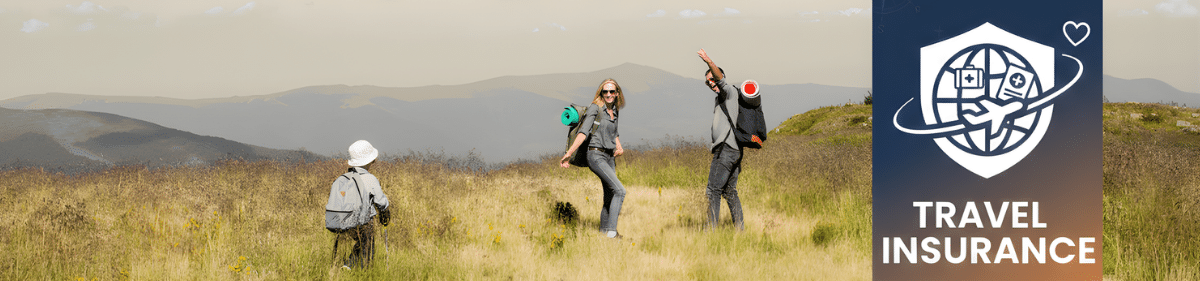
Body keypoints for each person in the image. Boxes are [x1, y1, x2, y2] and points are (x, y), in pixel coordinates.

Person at [560, 79, 627, 238]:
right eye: (605, 91)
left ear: (617, 93)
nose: (609, 94)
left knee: (610, 196)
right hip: (596, 155)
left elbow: (614, 132)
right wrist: (569, 153)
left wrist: (618, 146)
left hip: (610, 156)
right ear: (601, 93)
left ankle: (603, 234)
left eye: (612, 91)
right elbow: (583, 132)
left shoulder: (615, 111)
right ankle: (612, 233)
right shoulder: (594, 109)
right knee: (620, 190)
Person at [697, 49, 753, 231]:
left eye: (712, 79)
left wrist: (708, 61)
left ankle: (709, 231)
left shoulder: (729, 92)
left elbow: (720, 79)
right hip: (734, 151)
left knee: (712, 190)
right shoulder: (722, 98)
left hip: (726, 150)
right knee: (729, 191)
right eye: (708, 82)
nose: (711, 83)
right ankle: (740, 230)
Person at [337, 140, 391, 269]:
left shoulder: (345, 178)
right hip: (364, 221)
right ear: (369, 161)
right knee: (367, 247)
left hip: (344, 220)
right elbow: (381, 201)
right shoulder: (370, 179)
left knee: (361, 244)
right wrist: (385, 214)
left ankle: (349, 266)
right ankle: (354, 268)